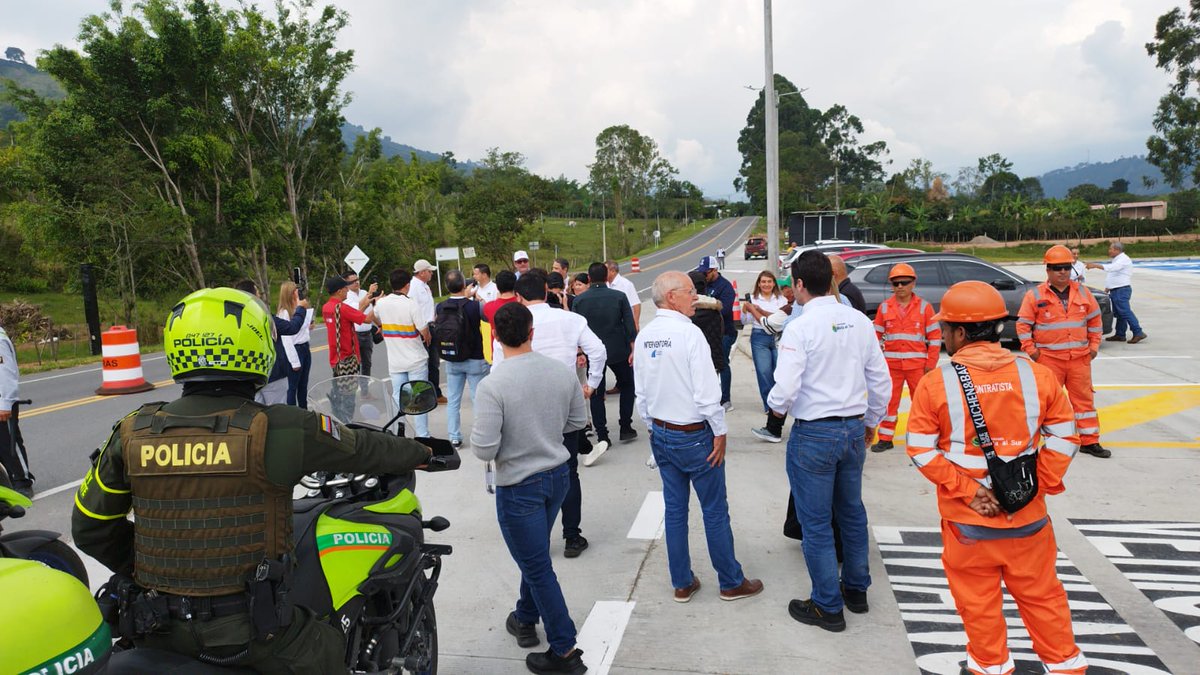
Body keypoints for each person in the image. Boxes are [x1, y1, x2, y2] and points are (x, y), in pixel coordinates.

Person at [71, 287, 434, 673]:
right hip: (252, 635)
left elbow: (90, 528)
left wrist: (153, 572)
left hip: (155, 625)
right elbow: (364, 448)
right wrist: (423, 453)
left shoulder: (132, 431)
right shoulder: (281, 427)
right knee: (330, 647)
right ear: (259, 347)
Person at [906, 280, 1087, 675]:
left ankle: (991, 668)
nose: (943, 337)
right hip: (1029, 521)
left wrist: (970, 493)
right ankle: (1067, 667)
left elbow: (920, 449)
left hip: (970, 525)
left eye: (945, 329)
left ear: (959, 333)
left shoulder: (936, 382)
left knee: (980, 611)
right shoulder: (1038, 376)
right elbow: (1066, 437)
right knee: (1044, 602)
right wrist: (1032, 487)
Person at [766, 251, 890, 632]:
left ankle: (827, 605)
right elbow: (880, 381)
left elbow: (785, 388)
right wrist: (871, 422)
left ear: (800, 284)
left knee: (816, 523)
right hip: (852, 429)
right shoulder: (859, 321)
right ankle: (856, 589)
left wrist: (775, 412)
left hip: (815, 433)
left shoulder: (800, 327)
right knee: (851, 513)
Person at [471, 303, 589, 675]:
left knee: (537, 566)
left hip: (519, 483)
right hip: (557, 475)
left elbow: (484, 449)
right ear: (531, 332)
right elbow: (577, 421)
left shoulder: (493, 385)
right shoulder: (560, 371)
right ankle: (524, 616)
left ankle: (565, 650)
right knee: (535, 555)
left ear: (495, 337)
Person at [634, 271, 764, 604]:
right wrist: (720, 432)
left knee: (675, 510)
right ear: (671, 296)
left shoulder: (646, 335)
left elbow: (641, 393)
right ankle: (730, 581)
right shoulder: (689, 334)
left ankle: (682, 582)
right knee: (714, 510)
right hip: (694, 436)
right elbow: (708, 394)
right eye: (690, 291)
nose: (696, 297)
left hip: (662, 433)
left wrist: (652, 427)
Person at [515, 272, 606, 556]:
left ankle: (539, 537)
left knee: (531, 473)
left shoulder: (515, 323)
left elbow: (499, 367)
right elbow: (598, 350)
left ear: (518, 296)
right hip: (565, 405)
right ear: (546, 291)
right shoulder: (571, 319)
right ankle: (572, 536)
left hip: (526, 408)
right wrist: (591, 384)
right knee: (568, 471)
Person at [1018, 245, 1108, 459]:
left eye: (1066, 267)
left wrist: (1093, 347)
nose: (1063, 272)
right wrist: (1033, 352)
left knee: (1084, 403)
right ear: (1048, 270)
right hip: (1049, 360)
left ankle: (1089, 441)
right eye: (1057, 268)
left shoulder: (1083, 292)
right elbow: (1023, 326)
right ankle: (1038, 442)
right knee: (1045, 402)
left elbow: (1095, 321)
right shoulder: (1035, 295)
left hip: (1079, 359)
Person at [871, 263, 941, 453]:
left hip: (917, 366)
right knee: (889, 403)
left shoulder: (925, 308)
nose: (900, 286)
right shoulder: (884, 308)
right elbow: (875, 338)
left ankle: (926, 438)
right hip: (892, 366)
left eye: (904, 282)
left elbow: (935, 337)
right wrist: (878, 362)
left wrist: (931, 363)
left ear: (913, 283)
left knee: (922, 403)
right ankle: (886, 438)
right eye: (896, 283)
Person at [573, 262, 637, 453]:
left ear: (589, 279)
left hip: (593, 352)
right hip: (618, 349)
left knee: (596, 392)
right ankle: (625, 426)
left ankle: (602, 435)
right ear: (606, 277)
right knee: (627, 385)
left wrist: (580, 352)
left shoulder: (579, 300)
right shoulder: (619, 296)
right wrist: (632, 348)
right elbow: (629, 325)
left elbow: (576, 329)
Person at [374, 268, 432, 438]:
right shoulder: (411, 304)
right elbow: (423, 330)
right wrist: (427, 336)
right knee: (418, 397)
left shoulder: (382, 303)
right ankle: (422, 435)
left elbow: (371, 316)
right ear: (407, 285)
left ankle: (398, 433)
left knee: (397, 397)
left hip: (396, 362)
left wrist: (381, 325)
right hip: (416, 360)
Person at [436, 270, 490, 449]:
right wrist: (476, 299)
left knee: (453, 401)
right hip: (475, 358)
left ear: (446, 286)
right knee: (478, 399)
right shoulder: (474, 306)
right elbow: (487, 316)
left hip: (452, 357)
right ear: (464, 285)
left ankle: (454, 437)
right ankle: (481, 436)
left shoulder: (440, 307)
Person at [235, 279, 308, 407]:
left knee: (257, 411)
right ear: (252, 295)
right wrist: (301, 308)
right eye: (257, 292)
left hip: (250, 375)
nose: (259, 295)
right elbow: (292, 328)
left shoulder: (234, 319)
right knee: (279, 411)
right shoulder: (261, 316)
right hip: (272, 374)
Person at [322, 276, 370, 422]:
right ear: (339, 291)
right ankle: (347, 424)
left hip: (336, 360)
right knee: (349, 397)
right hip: (348, 359)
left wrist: (364, 306)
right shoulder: (342, 308)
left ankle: (338, 421)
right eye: (345, 289)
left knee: (338, 394)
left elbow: (351, 316)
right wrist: (379, 305)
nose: (347, 292)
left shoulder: (326, 307)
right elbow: (366, 319)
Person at [697, 256, 737, 410]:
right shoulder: (701, 284)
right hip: (707, 331)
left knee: (722, 363)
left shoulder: (725, 287)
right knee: (707, 365)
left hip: (725, 331)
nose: (703, 275)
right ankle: (711, 396)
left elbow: (724, 310)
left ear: (714, 270)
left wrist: (704, 305)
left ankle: (726, 400)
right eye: (702, 272)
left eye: (706, 273)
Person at [1087, 241, 1146, 344]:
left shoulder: (1123, 259)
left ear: (1117, 250)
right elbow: (1113, 275)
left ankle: (1138, 332)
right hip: (1116, 289)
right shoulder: (1117, 259)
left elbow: (1112, 269)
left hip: (1121, 290)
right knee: (1119, 313)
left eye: (1111, 249)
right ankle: (1120, 334)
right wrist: (1107, 288)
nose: (1109, 251)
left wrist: (1096, 265)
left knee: (1125, 312)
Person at [745, 271, 787, 412]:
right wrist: (746, 311)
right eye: (763, 282)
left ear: (774, 283)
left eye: (769, 281)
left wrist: (759, 311)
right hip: (759, 336)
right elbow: (746, 321)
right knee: (764, 372)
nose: (766, 284)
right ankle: (769, 406)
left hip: (778, 336)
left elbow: (782, 319)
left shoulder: (781, 299)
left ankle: (780, 403)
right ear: (758, 283)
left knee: (779, 371)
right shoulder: (753, 299)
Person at [0, 320, 32, 497]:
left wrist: (5, 403)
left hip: (2, 401)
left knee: (9, 443)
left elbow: (5, 372)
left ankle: (22, 481)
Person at [411, 260, 444, 401]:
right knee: (423, 364)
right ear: (422, 272)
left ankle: (435, 393)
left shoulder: (424, 286)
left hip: (431, 325)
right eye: (429, 271)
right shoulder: (414, 287)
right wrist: (423, 330)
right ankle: (423, 395)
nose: (431, 274)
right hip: (422, 329)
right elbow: (414, 311)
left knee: (433, 362)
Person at [278, 281, 315, 408]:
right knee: (293, 386)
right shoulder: (284, 312)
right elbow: (286, 340)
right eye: (295, 290)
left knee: (303, 385)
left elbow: (299, 330)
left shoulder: (299, 308)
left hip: (305, 347)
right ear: (290, 293)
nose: (297, 291)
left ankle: (303, 410)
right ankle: (292, 412)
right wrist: (294, 361)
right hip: (295, 350)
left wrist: (308, 327)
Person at [342, 271, 378, 394]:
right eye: (352, 281)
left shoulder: (363, 292)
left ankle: (365, 391)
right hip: (354, 335)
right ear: (346, 284)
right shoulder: (346, 297)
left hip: (367, 333)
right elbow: (358, 309)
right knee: (354, 364)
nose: (356, 282)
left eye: (357, 279)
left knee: (367, 363)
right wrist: (370, 293)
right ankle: (350, 392)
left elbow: (370, 312)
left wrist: (379, 325)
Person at [687, 270, 727, 374]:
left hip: (692, 361)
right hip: (713, 359)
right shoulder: (715, 309)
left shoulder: (686, 312)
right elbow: (721, 331)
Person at [484, 270, 521, 364]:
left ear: (497, 287)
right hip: (520, 350)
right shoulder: (522, 304)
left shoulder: (488, 307)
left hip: (498, 351)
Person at [605, 260, 641, 330]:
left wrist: (636, 323)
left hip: (625, 325)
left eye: (605, 270)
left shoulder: (626, 284)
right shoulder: (605, 284)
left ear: (613, 271)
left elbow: (636, 305)